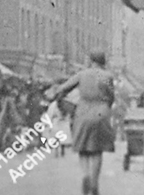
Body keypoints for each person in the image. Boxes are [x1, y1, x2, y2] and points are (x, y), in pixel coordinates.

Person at [49, 51, 116, 195]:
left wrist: (63, 103)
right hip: (101, 113)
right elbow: (111, 96)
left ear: (91, 60)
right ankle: (94, 180)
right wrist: (105, 107)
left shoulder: (82, 74)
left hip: (83, 112)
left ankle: (85, 174)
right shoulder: (107, 76)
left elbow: (61, 89)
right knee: (97, 150)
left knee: (83, 149)